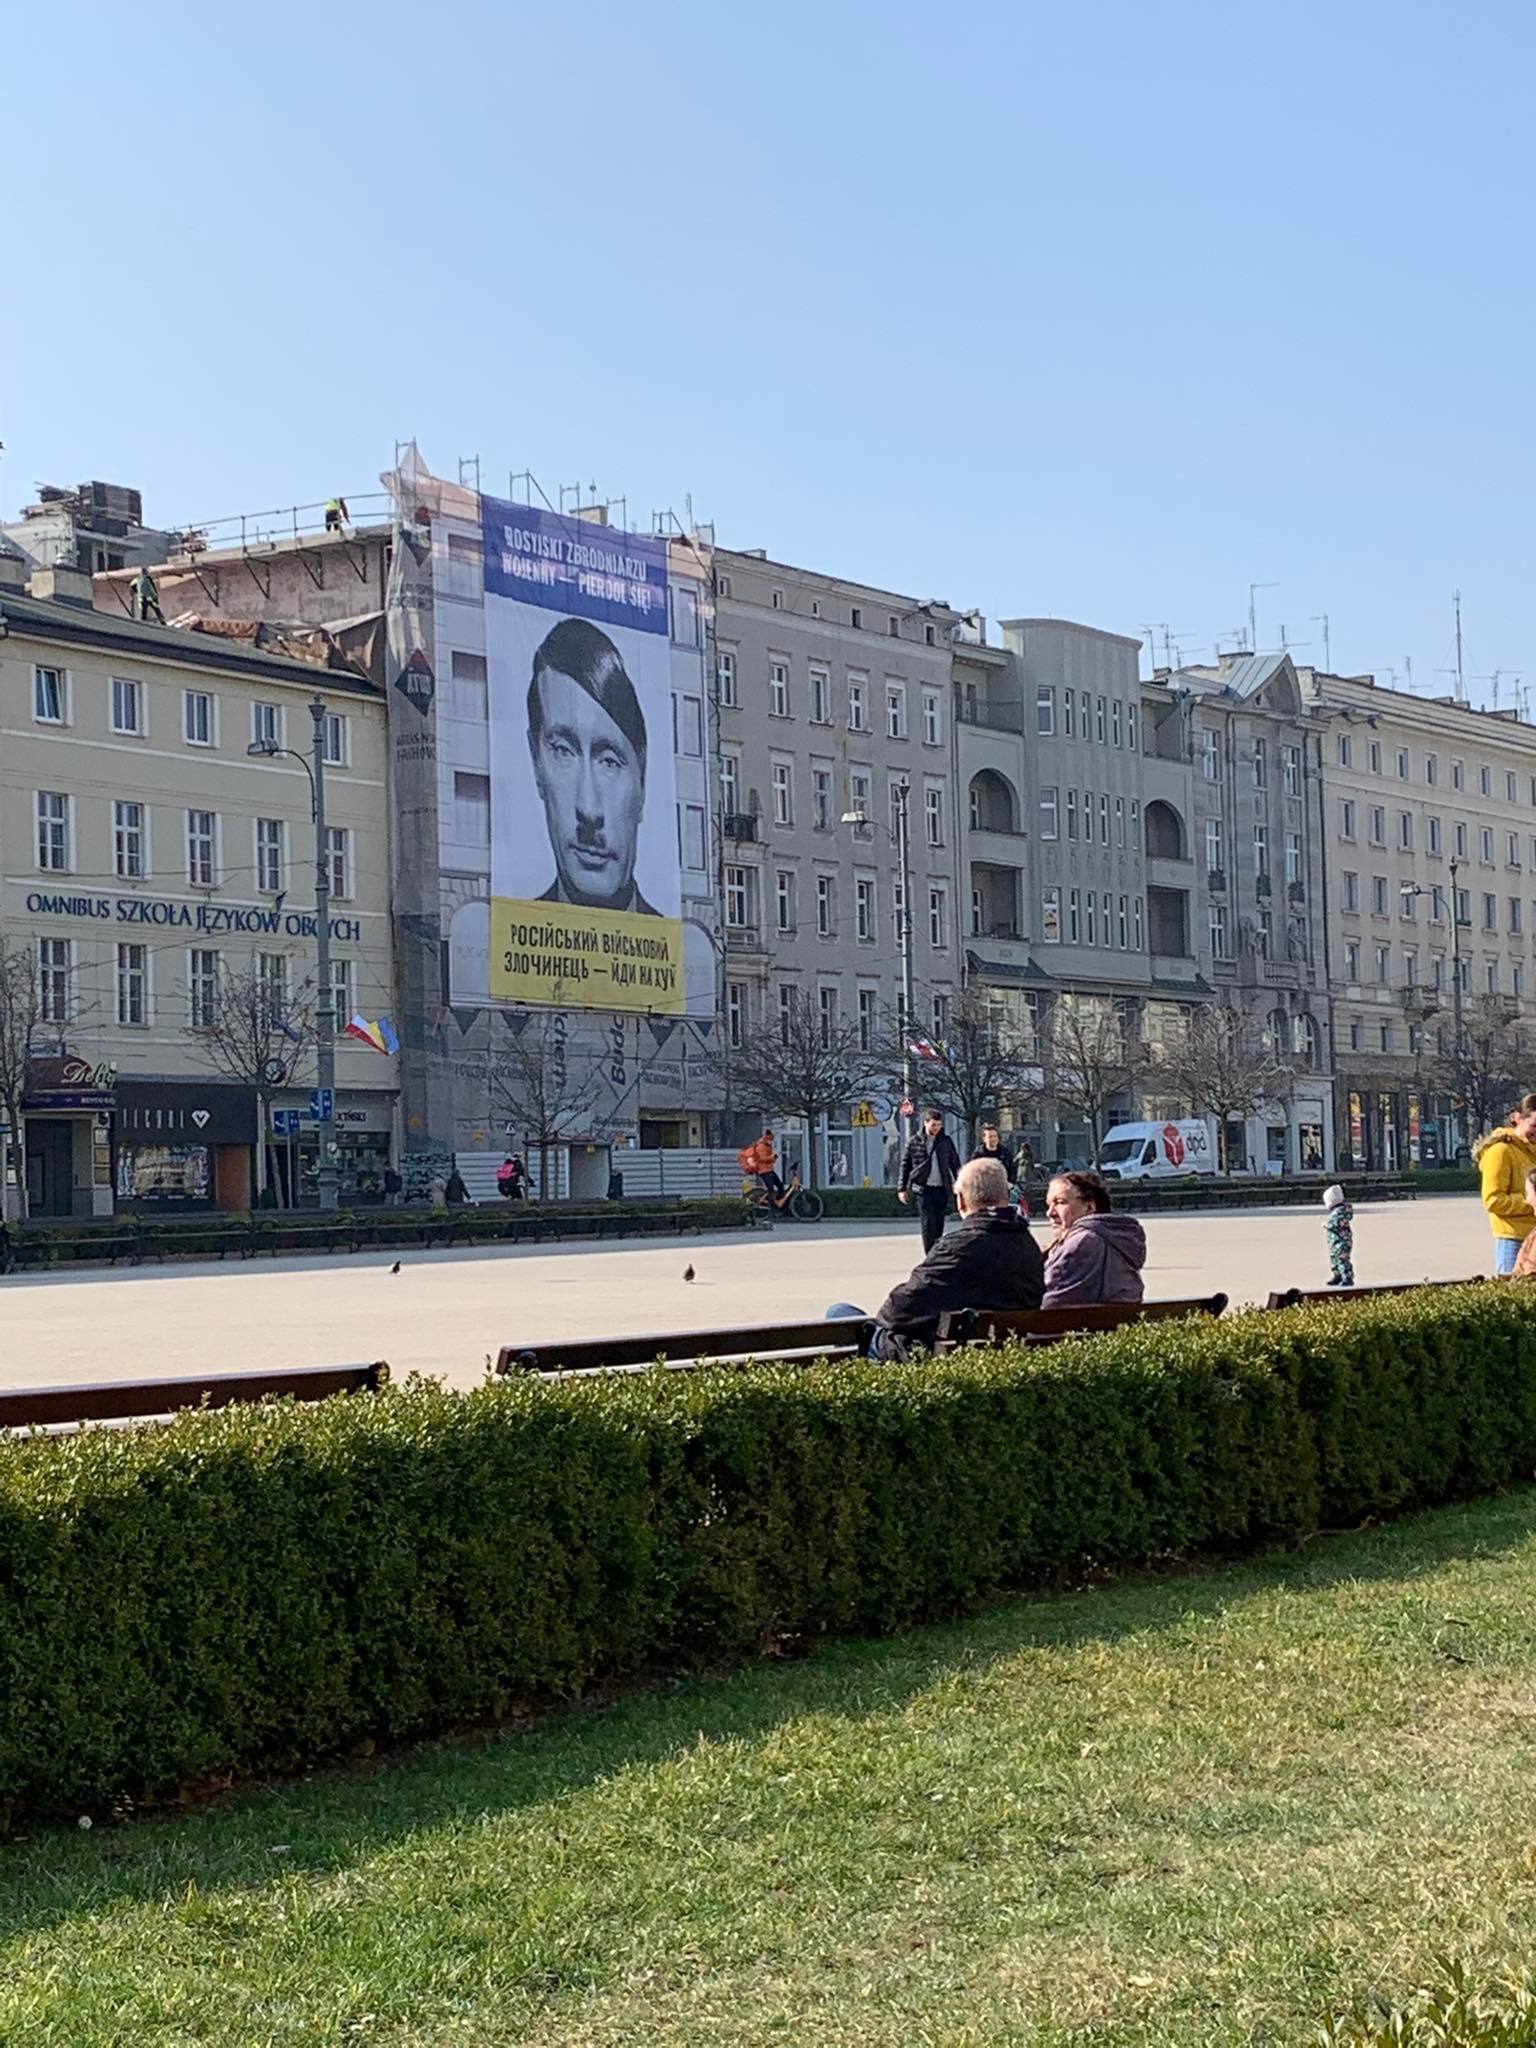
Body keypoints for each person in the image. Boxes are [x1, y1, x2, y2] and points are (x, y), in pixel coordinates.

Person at [828, 1157, 1044, 1360]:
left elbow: (898, 1311)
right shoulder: (1027, 1244)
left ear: (960, 1200)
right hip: (1002, 1353)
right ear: (1006, 1196)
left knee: (840, 1313)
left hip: (937, 1355)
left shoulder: (957, 1247)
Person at [526, 617, 659, 915]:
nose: (589, 808)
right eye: (563, 751)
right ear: (536, 762)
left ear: (642, 777)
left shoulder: (682, 954)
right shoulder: (502, 941)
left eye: (609, 761)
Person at [1042, 1170, 1146, 1307]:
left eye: (1060, 1202)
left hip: (1078, 1326)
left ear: (1089, 1206)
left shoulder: (1083, 1242)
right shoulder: (1119, 1238)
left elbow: (1047, 1300)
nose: (1050, 1213)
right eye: (1049, 1205)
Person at [1473, 1096, 1536, 1275]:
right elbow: (1493, 1200)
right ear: (1517, 1118)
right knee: (1514, 1294)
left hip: (1534, 1236)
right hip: (1513, 1239)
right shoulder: (1500, 1151)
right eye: (1534, 1125)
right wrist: (1530, 1201)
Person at [899, 1108, 962, 1253]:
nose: (937, 1128)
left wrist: (961, 1183)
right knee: (928, 1223)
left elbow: (955, 1163)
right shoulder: (914, 1141)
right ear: (925, 1123)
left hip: (941, 1188)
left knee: (939, 1223)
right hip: (923, 1188)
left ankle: (936, 1252)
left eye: (939, 1125)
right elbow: (905, 1165)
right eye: (933, 1125)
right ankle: (929, 1255)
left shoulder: (945, 1141)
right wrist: (901, 1188)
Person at [738, 1129, 791, 1208]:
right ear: (767, 1138)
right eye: (770, 1139)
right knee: (771, 1188)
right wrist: (772, 1157)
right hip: (764, 1171)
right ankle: (772, 1207)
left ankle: (780, 1203)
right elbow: (762, 1158)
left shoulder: (766, 1146)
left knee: (780, 1185)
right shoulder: (761, 1146)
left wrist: (772, 1158)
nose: (771, 1141)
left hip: (768, 1170)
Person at [1322, 1183, 1355, 1287]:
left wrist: (1327, 1225)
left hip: (1341, 1240)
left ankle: (1347, 1277)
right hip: (1335, 1241)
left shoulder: (1339, 1212)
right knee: (1335, 1258)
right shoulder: (1338, 1211)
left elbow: (1337, 1223)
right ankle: (1337, 1275)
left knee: (1342, 1259)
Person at [969, 1122, 1016, 1186]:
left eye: (995, 1136)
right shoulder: (978, 1154)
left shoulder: (1005, 1153)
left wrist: (1010, 1183)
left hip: (1002, 1187)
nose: (993, 1139)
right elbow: (972, 1171)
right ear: (984, 1139)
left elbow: (1012, 1170)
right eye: (990, 1137)